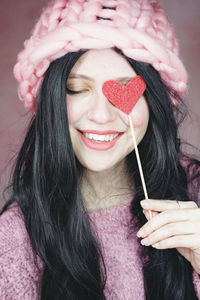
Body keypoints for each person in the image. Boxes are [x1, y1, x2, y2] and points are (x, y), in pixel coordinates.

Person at [0, 0, 200, 299]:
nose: (102, 116)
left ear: (156, 101)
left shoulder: (195, 192)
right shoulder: (13, 241)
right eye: (77, 89)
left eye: (124, 90)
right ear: (48, 101)